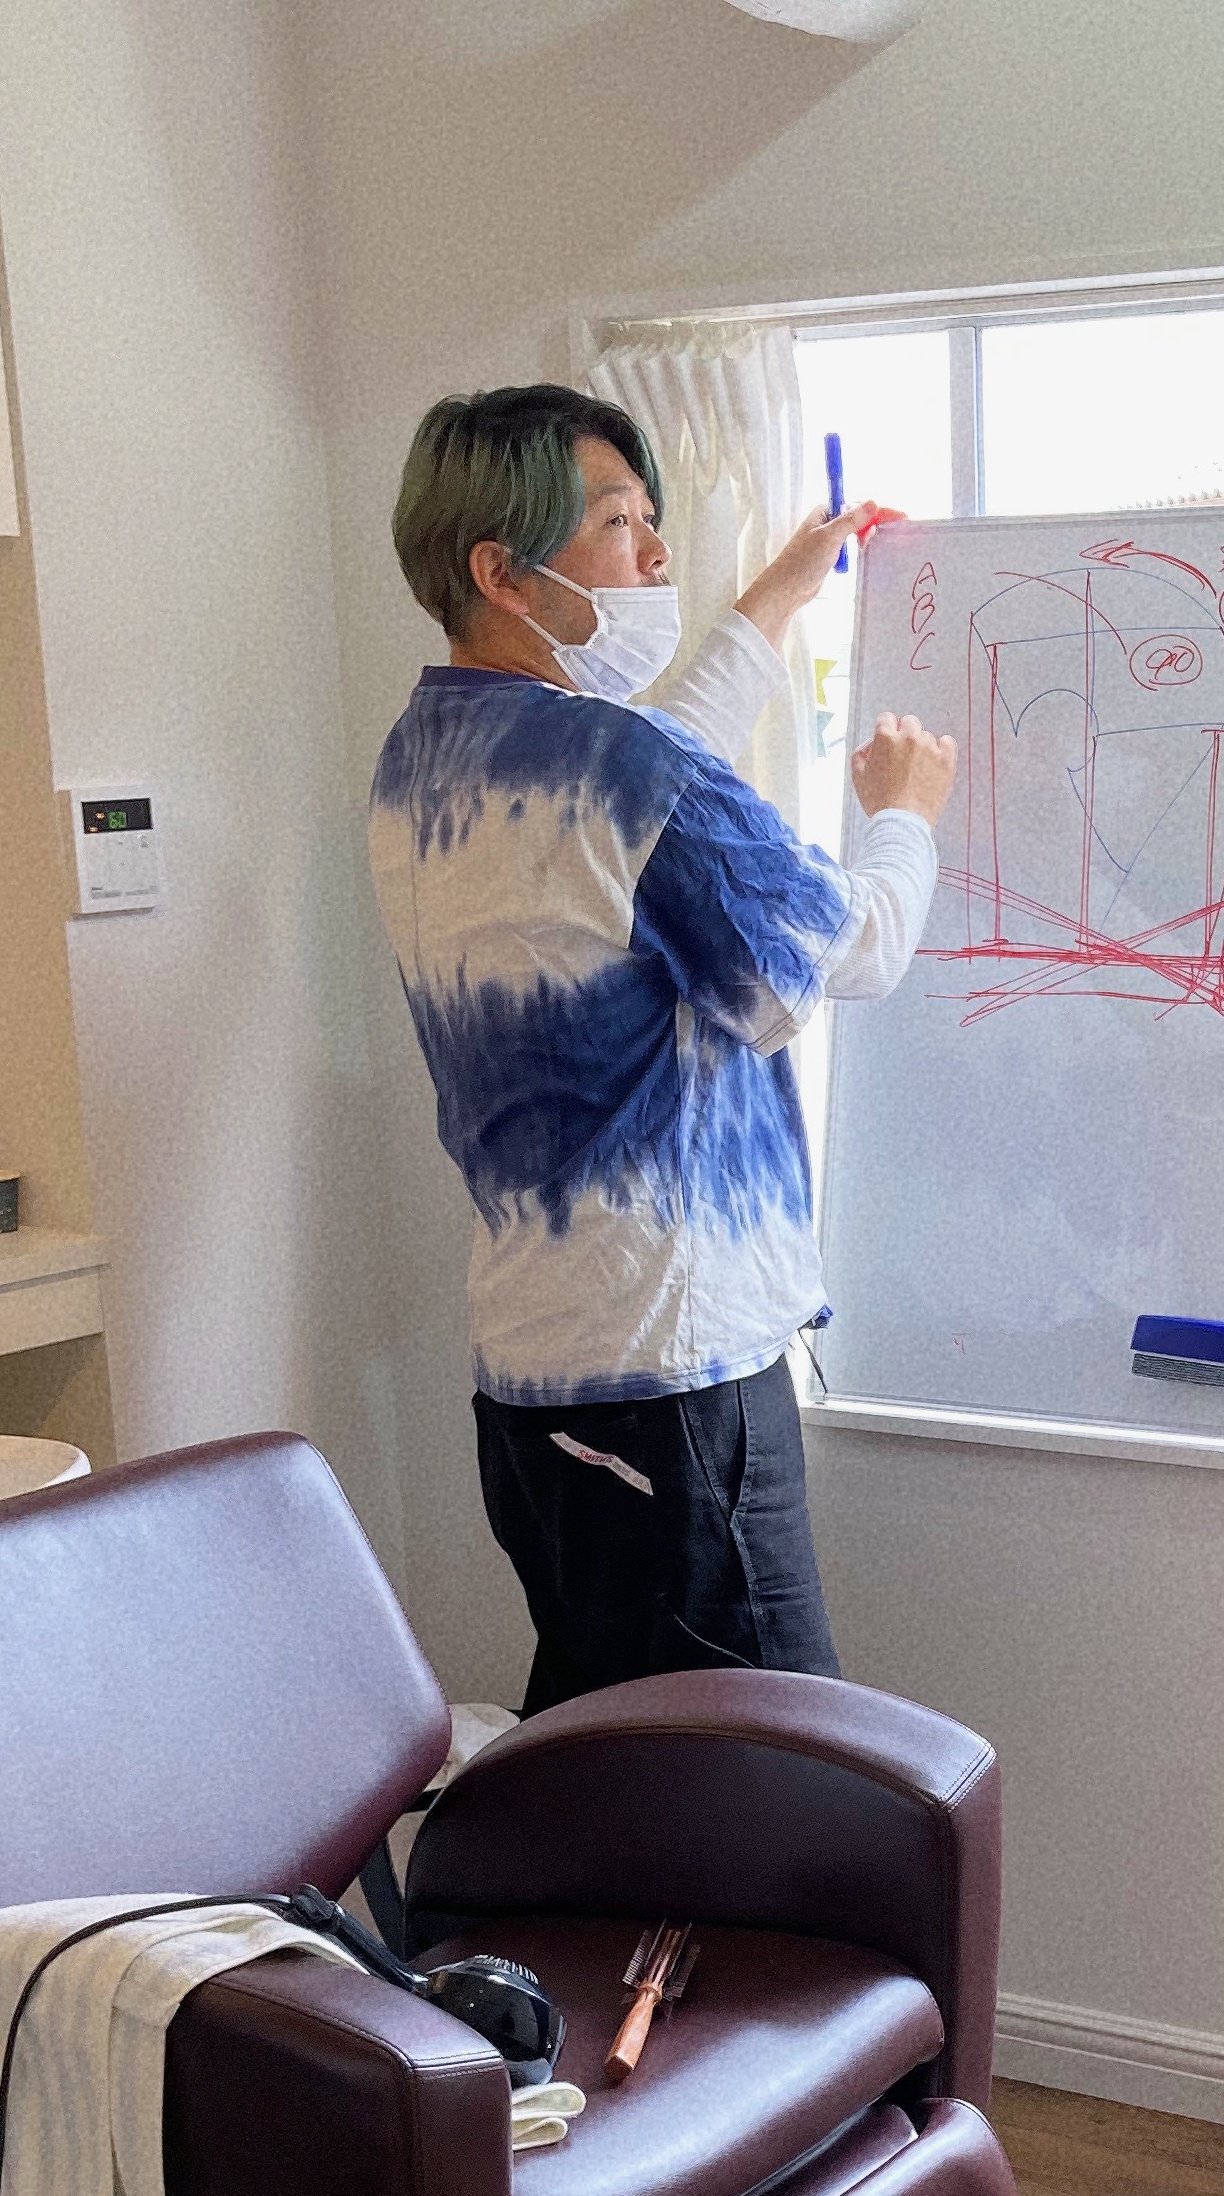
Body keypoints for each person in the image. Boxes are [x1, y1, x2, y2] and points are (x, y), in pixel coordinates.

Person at [370, 382, 957, 1707]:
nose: (655, 557)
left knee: (616, 1750)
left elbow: (643, 790)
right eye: (621, 524)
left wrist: (777, 599)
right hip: (670, 1383)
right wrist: (904, 813)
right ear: (501, 572)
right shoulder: (620, 772)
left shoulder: (429, 758)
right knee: (768, 1769)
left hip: (536, 1389)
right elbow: (853, 946)